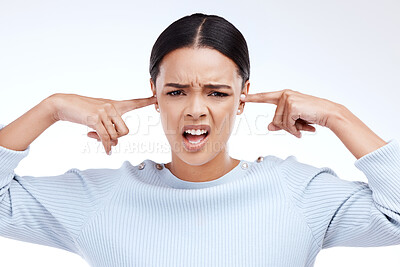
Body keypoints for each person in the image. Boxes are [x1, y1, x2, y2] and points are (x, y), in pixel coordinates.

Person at [0, 13, 399, 267]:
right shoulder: (101, 197)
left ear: (243, 98)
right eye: (175, 91)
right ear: (154, 95)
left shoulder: (298, 193)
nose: (195, 109)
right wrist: (49, 108)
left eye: (217, 92)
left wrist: (339, 116)